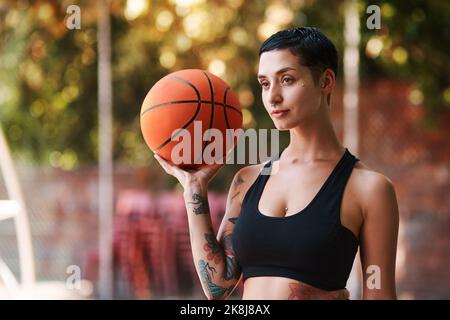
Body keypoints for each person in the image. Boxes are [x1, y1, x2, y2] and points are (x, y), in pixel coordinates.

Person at [154, 27, 399, 300]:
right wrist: (193, 188)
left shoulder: (370, 189)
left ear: (326, 81)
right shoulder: (249, 180)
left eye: (287, 79)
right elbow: (219, 286)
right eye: (265, 83)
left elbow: (380, 295)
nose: (272, 97)